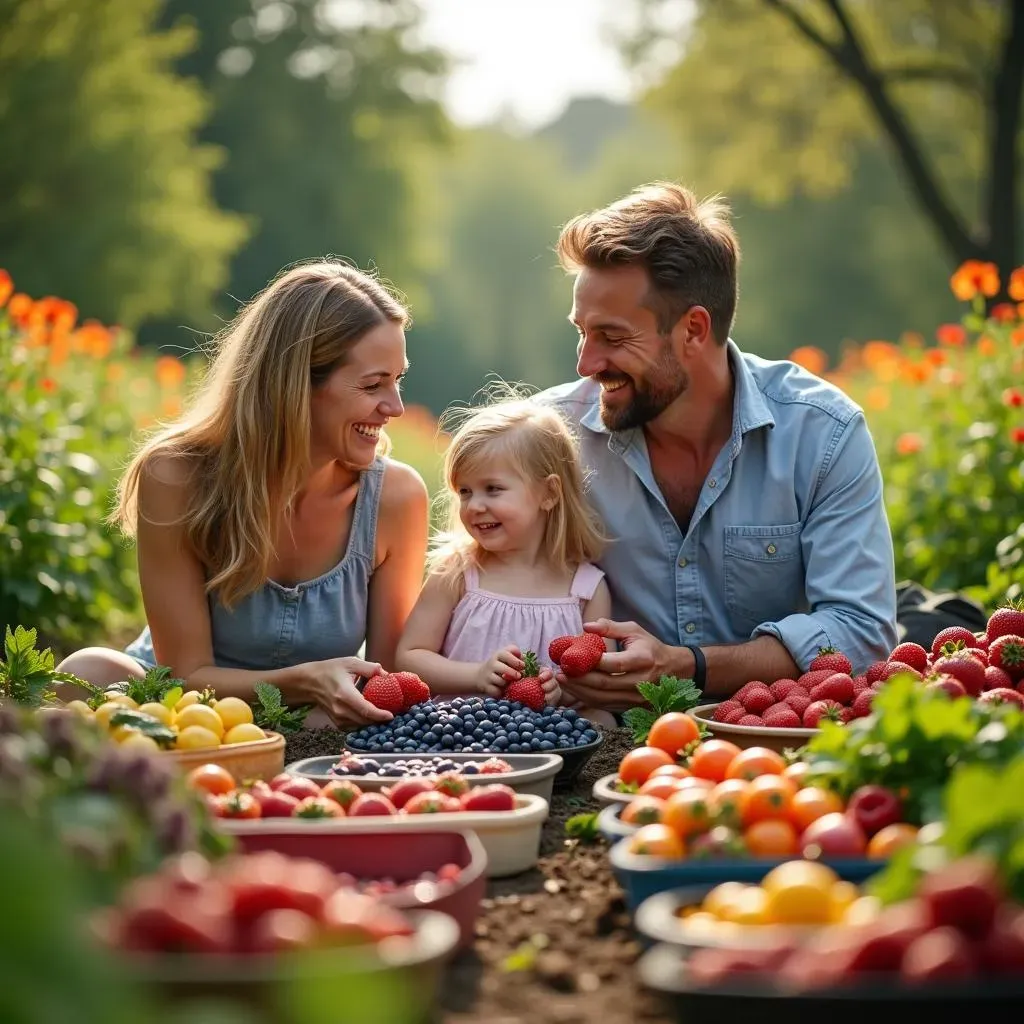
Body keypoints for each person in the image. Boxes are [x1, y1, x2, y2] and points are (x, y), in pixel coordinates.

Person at [536, 182, 898, 709]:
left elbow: (860, 631)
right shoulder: (552, 437)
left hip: (772, 734)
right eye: (581, 332)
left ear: (694, 330)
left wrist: (689, 667)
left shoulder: (822, 433)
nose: (586, 364)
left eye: (612, 338)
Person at [56, 261, 429, 728]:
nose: (394, 406)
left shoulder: (396, 497)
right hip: (183, 704)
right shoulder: (176, 476)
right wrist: (305, 679)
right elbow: (185, 675)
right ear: (294, 383)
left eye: (398, 380)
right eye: (374, 384)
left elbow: (387, 681)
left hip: (315, 710)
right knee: (86, 672)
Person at [396, 396, 618, 727]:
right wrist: (477, 675)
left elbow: (602, 676)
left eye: (493, 489)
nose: (474, 506)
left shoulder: (585, 588)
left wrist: (563, 691)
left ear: (549, 493)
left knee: (602, 721)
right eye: (465, 491)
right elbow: (410, 658)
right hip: (463, 725)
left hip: (548, 731)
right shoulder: (458, 572)